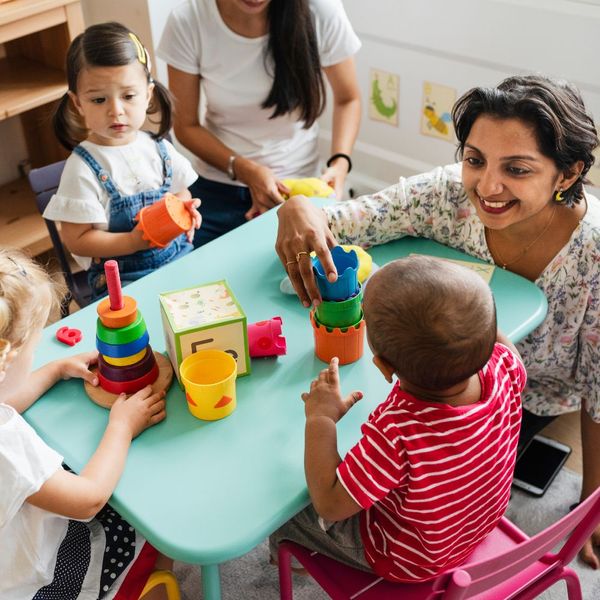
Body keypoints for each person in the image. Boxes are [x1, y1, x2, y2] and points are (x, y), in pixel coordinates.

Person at [275, 74, 600, 568]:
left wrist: (592, 506)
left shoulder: (592, 251)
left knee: (299, 476)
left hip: (527, 399)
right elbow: (342, 220)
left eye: (516, 168)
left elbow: (598, 392)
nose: (487, 187)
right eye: (474, 160)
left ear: (567, 174)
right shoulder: (445, 196)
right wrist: (298, 206)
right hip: (462, 383)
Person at [270, 256, 526, 581]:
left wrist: (321, 419)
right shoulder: (504, 365)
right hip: (476, 525)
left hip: (408, 559)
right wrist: (471, 321)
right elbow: (505, 349)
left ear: (384, 367)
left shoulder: (398, 430)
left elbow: (330, 504)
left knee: (288, 509)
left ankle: (296, 563)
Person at [0, 249, 172, 599]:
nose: (36, 359)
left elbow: (5, 402)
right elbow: (88, 500)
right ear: (6, 357)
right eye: (34, 352)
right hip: (34, 579)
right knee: (151, 514)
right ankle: (141, 583)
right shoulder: (7, 446)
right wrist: (121, 428)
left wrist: (54, 369)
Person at [157, 0, 361, 247]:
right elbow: (186, 126)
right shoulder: (189, 20)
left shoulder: (320, 10)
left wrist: (340, 164)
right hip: (219, 186)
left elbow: (348, 98)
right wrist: (245, 169)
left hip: (297, 187)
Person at [43, 22, 202, 299]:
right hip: (122, 280)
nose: (116, 111)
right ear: (78, 103)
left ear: (148, 95)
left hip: (179, 258)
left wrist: (184, 210)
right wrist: (132, 241)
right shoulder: (83, 168)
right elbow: (76, 240)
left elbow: (180, 191)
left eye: (128, 96)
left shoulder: (158, 148)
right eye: (99, 100)